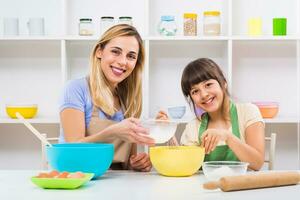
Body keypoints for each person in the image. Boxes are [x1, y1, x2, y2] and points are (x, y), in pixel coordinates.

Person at [59, 24, 154, 172]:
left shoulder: (127, 100)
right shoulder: (76, 89)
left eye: (131, 56)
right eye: (116, 52)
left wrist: (137, 163)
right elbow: (73, 150)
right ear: (99, 52)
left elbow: (127, 163)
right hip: (79, 179)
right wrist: (113, 132)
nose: (123, 61)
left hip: (117, 183)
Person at [157, 58, 265, 170]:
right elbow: (185, 166)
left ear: (223, 83)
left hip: (242, 186)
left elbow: (257, 163)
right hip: (205, 186)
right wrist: (168, 132)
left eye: (208, 84)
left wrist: (228, 137)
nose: (203, 94)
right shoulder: (193, 127)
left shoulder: (248, 112)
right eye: (195, 91)